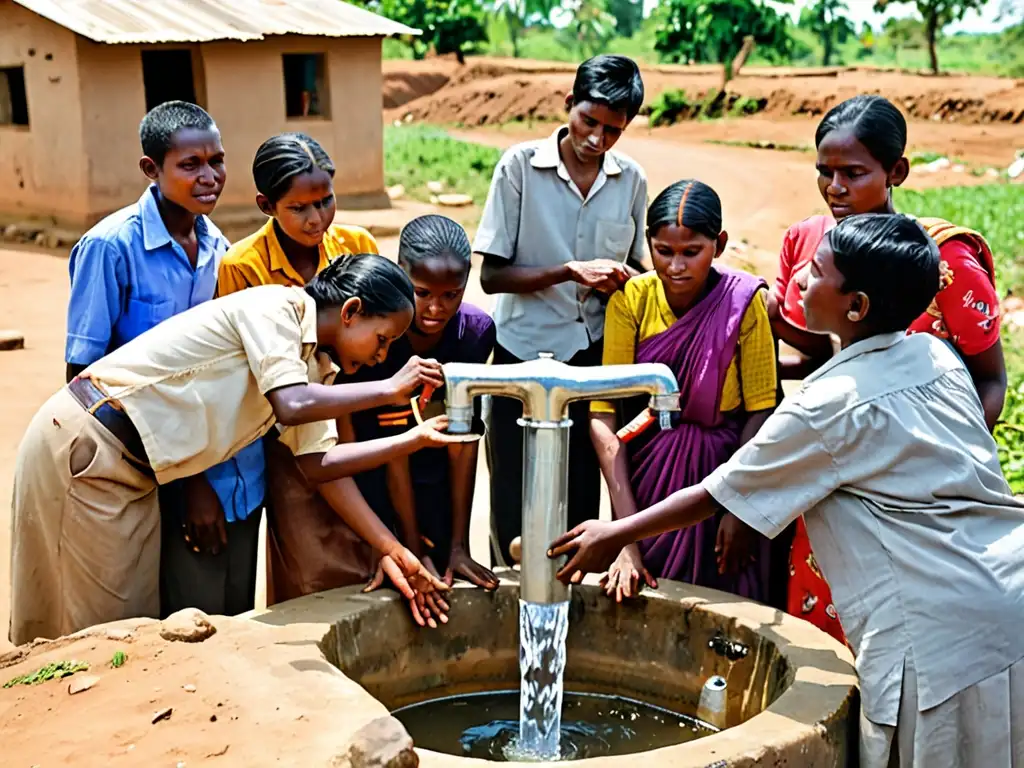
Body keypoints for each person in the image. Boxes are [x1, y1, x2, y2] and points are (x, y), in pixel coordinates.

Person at [550, 213, 1024, 768]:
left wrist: (619, 533)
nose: (799, 278)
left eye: (817, 270)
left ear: (857, 307)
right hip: (1006, 593)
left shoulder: (829, 403)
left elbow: (718, 492)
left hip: (935, 634)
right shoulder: (935, 357)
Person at [10, 255, 453, 646]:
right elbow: (291, 404)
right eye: (383, 340)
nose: (382, 357)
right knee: (91, 637)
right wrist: (389, 390)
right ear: (352, 312)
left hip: (135, 474)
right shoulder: (275, 310)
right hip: (89, 449)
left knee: (129, 628)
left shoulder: (316, 368)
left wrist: (396, 534)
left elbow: (318, 467)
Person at [771, 95, 1007, 644]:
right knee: (826, 643)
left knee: (910, 638)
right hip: (841, 477)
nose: (835, 188)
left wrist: (937, 463)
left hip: (921, 490)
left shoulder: (944, 260)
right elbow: (821, 357)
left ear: (896, 171)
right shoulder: (815, 245)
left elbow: (989, 380)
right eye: (824, 173)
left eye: (853, 173)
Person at [62, 100, 266, 620]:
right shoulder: (112, 247)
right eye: (190, 165)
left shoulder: (220, 248)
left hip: (235, 474)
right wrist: (187, 482)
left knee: (236, 616)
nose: (210, 177)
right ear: (151, 169)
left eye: (217, 161)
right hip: (161, 476)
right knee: (183, 623)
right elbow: (85, 381)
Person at [213, 132, 403, 616]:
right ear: (265, 204)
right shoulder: (242, 266)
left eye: (326, 201)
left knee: (365, 540)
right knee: (306, 560)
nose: (317, 219)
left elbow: (377, 325)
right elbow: (257, 383)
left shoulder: (355, 243)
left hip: (352, 414)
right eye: (300, 208)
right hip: (286, 434)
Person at [475, 54, 648, 566]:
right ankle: (510, 598)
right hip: (520, 356)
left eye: (612, 130)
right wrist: (570, 272)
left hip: (590, 360)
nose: (597, 139)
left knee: (577, 496)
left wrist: (624, 281)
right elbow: (492, 274)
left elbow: (638, 266)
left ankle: (568, 608)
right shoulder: (519, 167)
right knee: (512, 491)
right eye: (588, 122)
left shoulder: (630, 180)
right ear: (568, 104)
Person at [589, 180, 780, 604]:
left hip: (724, 471)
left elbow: (762, 410)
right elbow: (604, 415)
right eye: (663, 251)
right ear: (648, 244)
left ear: (720, 244)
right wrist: (626, 536)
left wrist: (737, 506)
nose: (676, 266)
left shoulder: (744, 301)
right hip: (647, 473)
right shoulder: (631, 300)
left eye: (691, 252)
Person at [350, 215, 499, 591]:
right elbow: (393, 448)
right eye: (422, 293)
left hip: (438, 483)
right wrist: (410, 550)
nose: (436, 308)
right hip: (375, 480)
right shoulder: (378, 334)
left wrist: (459, 545)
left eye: (451, 294)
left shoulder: (475, 334)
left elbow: (463, 441)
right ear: (400, 274)